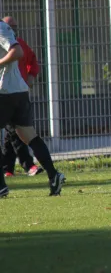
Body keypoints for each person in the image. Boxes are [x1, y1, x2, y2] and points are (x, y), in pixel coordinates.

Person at [0, 20, 65, 197]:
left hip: (4, 91)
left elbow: (17, 51)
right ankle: (54, 176)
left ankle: (1, 186)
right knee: (28, 136)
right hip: (17, 91)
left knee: (26, 137)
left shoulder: (0, 28)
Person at [1, 16, 44, 177]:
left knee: (14, 133)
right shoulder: (5, 41)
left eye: (15, 26)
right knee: (14, 133)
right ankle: (25, 166)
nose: (13, 29)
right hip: (6, 93)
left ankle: (10, 169)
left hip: (16, 93)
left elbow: (32, 60)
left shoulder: (19, 44)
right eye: (10, 26)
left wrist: (31, 77)